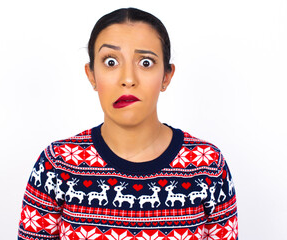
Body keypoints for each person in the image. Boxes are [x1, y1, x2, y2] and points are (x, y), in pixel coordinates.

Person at [17, 7, 238, 240]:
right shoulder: (57, 165)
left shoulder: (209, 166)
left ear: (166, 76)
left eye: (145, 63)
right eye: (111, 62)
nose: (128, 79)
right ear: (91, 74)